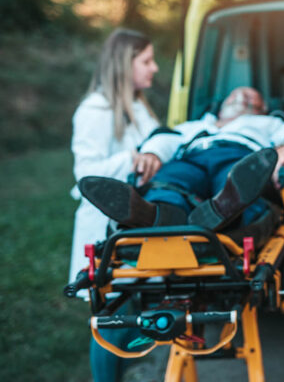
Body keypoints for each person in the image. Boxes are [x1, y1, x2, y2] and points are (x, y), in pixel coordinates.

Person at [78, 87, 284, 239]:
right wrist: (152, 153)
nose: (241, 96)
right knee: (169, 182)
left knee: (237, 181)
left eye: (251, 96)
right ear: (221, 106)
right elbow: (167, 139)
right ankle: (150, 213)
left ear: (262, 108)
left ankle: (222, 208)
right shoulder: (197, 125)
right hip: (192, 157)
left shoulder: (267, 123)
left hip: (240, 156)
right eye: (234, 94)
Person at [67, 27, 161, 382]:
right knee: (110, 319)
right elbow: (85, 175)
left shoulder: (138, 106)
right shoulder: (96, 110)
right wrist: (132, 160)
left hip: (133, 227)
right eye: (146, 61)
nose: (153, 68)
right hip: (105, 232)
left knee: (131, 314)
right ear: (125, 63)